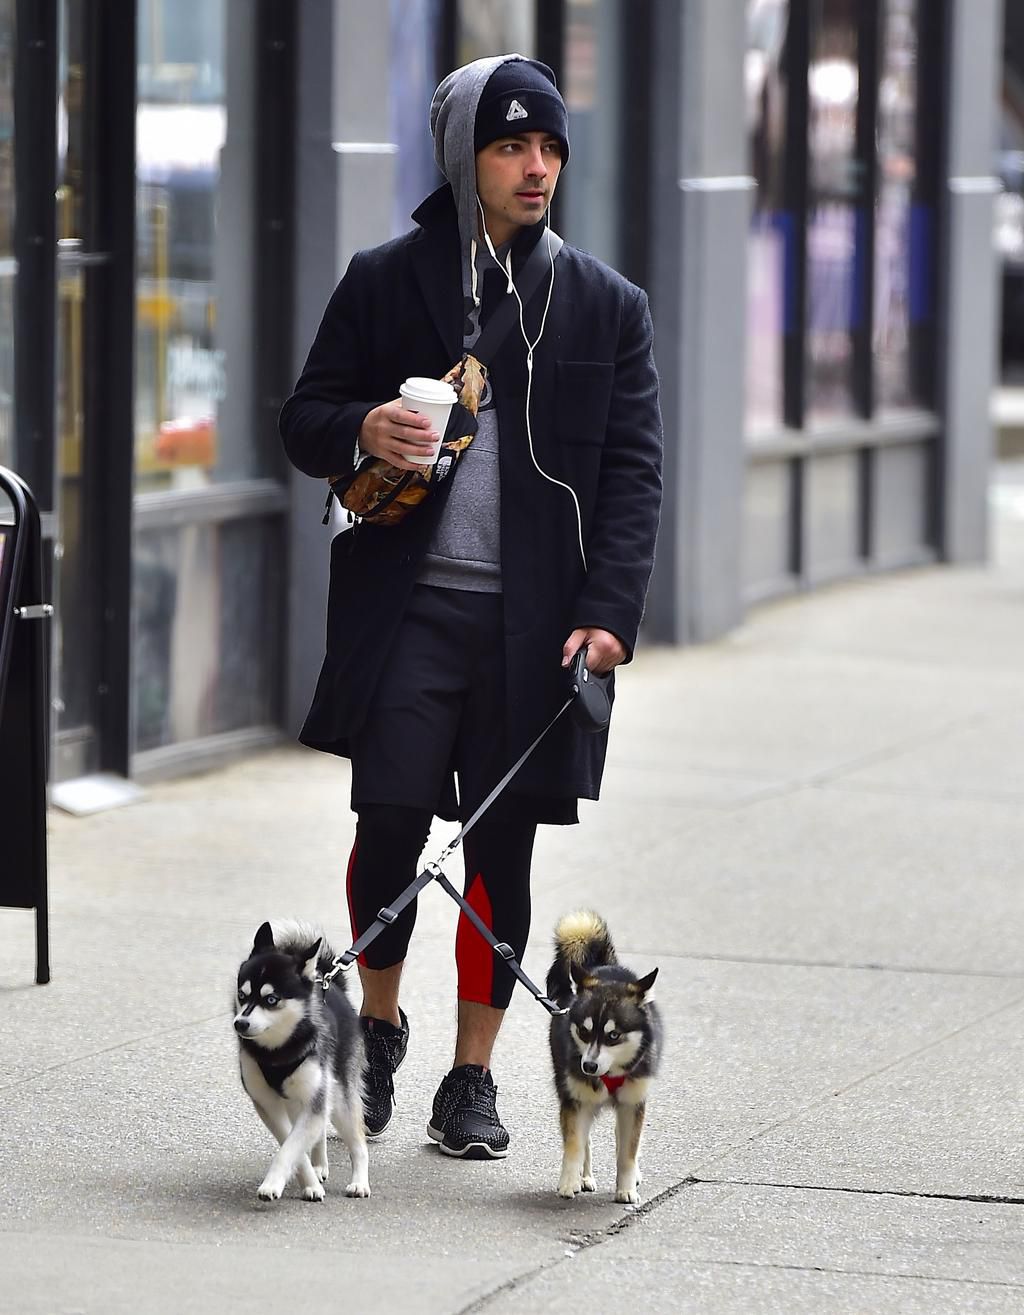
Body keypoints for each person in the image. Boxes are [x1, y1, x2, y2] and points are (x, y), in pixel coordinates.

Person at [279, 54, 662, 1161]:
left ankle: (472, 1078)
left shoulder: (605, 305)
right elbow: (303, 419)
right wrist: (362, 427)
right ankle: (383, 1028)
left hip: (536, 626)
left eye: (549, 148)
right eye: (510, 146)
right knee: (389, 817)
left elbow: (633, 473)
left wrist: (609, 613)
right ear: (464, 157)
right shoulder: (384, 279)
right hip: (406, 610)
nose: (535, 167)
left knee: (502, 847)